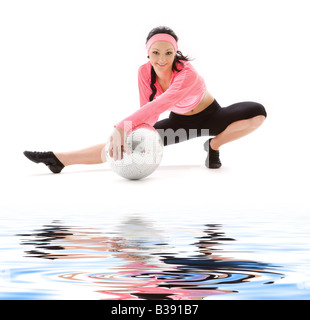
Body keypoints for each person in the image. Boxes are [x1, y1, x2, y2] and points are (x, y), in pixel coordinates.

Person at [24, 26, 267, 173]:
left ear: (175, 52)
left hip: (212, 118)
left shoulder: (187, 74)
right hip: (179, 124)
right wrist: (130, 134)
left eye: (168, 53)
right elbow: (148, 111)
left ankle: (213, 146)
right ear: (148, 52)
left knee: (258, 112)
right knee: (128, 142)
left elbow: (163, 102)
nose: (162, 59)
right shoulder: (143, 72)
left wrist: (120, 126)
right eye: (155, 53)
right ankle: (58, 160)